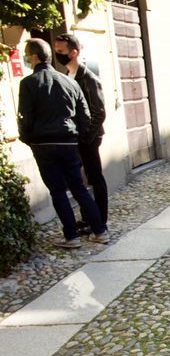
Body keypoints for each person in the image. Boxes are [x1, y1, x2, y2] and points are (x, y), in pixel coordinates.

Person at [16, 38, 109, 248]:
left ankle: (72, 237)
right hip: (68, 143)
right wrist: (78, 137)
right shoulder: (69, 81)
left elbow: (25, 116)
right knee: (79, 188)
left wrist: (27, 139)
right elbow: (85, 115)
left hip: (43, 145)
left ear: (33, 57)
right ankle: (100, 231)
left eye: (27, 54)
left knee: (58, 191)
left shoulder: (29, 83)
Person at [53, 32, 108, 231]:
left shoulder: (88, 78)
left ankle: (100, 220)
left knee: (95, 178)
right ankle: (88, 218)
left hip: (89, 138)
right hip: (76, 138)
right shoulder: (67, 76)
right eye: (56, 51)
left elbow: (99, 111)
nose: (57, 54)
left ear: (74, 52)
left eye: (61, 51)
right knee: (82, 180)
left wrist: (87, 137)